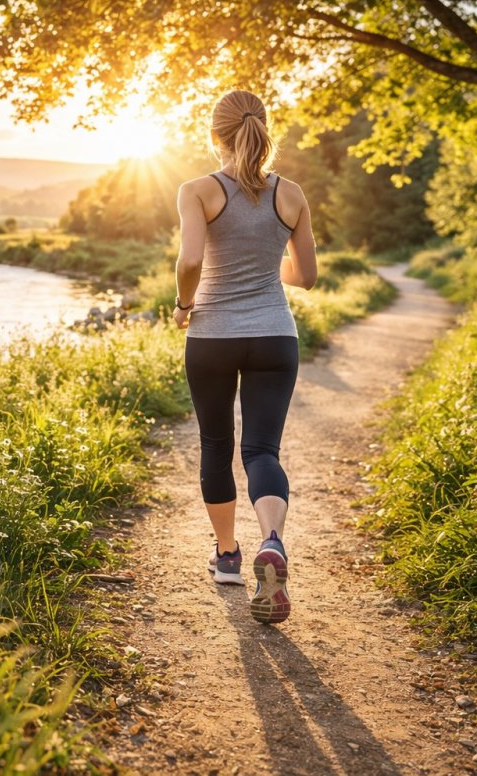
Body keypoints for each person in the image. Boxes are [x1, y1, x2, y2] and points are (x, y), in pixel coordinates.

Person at [172, 89, 318, 624]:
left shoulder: (198, 190)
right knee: (261, 450)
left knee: (215, 442)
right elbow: (305, 276)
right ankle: (273, 540)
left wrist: (185, 305)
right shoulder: (292, 194)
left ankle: (229, 557)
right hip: (275, 337)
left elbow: (190, 259)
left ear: (215, 135)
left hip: (211, 333)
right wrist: (263, 270)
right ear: (263, 130)